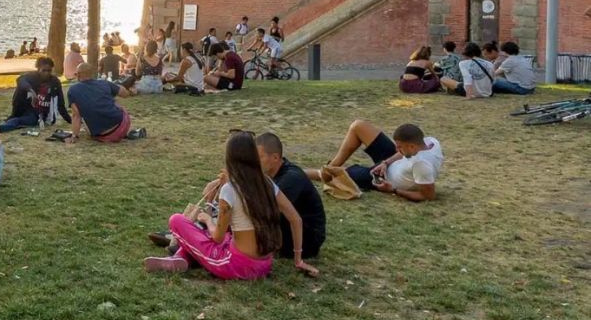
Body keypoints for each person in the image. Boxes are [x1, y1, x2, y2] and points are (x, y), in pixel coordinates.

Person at [144, 132, 318, 278]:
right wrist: (298, 260)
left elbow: (217, 237)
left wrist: (208, 219)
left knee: (177, 220)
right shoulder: (267, 183)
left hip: (237, 266)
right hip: (264, 265)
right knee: (224, 235)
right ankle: (179, 258)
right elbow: (296, 219)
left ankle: (181, 256)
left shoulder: (229, 189)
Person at [304, 120, 442, 202]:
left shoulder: (421, 165)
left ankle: (300, 172)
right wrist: (386, 162)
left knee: (336, 174)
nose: (397, 149)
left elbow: (427, 196)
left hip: (383, 179)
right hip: (390, 164)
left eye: (399, 146)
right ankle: (331, 165)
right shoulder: (431, 142)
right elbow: (402, 153)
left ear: (411, 146)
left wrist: (393, 190)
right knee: (358, 126)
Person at [65, 63, 145, 143]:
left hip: (102, 136)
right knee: (116, 104)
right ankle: (125, 132)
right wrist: (124, 89)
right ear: (92, 74)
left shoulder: (73, 90)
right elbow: (124, 94)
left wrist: (74, 136)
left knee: (86, 119)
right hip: (121, 126)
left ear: (78, 75)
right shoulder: (104, 83)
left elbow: (76, 115)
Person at [0, 57, 70, 132]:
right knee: (21, 88)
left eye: (49, 71)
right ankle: (6, 123)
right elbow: (20, 80)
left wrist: (70, 120)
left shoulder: (55, 82)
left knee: (18, 121)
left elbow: (60, 104)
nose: (46, 73)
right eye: (44, 70)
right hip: (26, 107)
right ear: (38, 69)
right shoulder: (32, 76)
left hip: (39, 114)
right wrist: (31, 91)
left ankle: (0, 128)